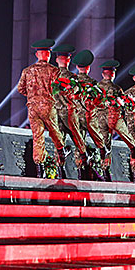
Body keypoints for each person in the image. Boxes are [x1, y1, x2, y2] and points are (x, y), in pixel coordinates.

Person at [17, 38, 69, 178]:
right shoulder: (54, 71)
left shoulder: (27, 71)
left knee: (37, 137)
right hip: (48, 106)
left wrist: (33, 96)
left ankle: (40, 170)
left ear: (37, 55)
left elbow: (20, 89)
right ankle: (61, 152)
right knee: (54, 131)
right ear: (49, 54)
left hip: (32, 108)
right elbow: (61, 89)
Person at [52, 44, 89, 179]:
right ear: (69, 60)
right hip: (70, 114)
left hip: (56, 114)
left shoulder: (51, 76)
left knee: (59, 143)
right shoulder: (74, 78)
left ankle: (60, 171)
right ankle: (81, 171)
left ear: (56, 60)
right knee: (79, 141)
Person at [72, 50, 109, 181]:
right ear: (88, 67)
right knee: (101, 143)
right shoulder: (94, 84)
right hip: (90, 116)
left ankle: (81, 173)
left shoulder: (72, 82)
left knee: (79, 144)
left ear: (77, 67)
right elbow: (100, 103)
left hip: (76, 117)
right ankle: (104, 171)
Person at [98, 60, 135, 181]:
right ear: (112, 74)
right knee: (132, 142)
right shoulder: (117, 89)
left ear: (103, 74)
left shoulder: (97, 87)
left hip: (101, 118)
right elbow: (124, 105)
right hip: (114, 118)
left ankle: (105, 173)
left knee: (105, 146)